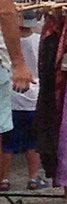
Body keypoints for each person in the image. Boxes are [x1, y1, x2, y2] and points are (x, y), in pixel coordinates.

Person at [0, 12, 43, 191]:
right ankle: (33, 178)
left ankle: (4, 180)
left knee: (8, 143)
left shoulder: (8, 42)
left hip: (11, 96)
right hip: (33, 97)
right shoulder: (39, 40)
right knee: (33, 143)